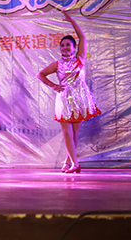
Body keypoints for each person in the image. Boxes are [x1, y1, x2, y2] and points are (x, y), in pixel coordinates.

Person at [37, 11, 100, 174]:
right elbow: (40, 74)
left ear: (73, 47)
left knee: (75, 134)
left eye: (68, 45)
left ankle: (68, 162)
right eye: (62, 45)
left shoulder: (80, 59)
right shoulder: (57, 64)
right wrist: (53, 85)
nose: (65, 47)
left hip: (80, 99)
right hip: (65, 99)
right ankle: (75, 164)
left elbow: (82, 37)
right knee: (67, 132)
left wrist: (72, 21)